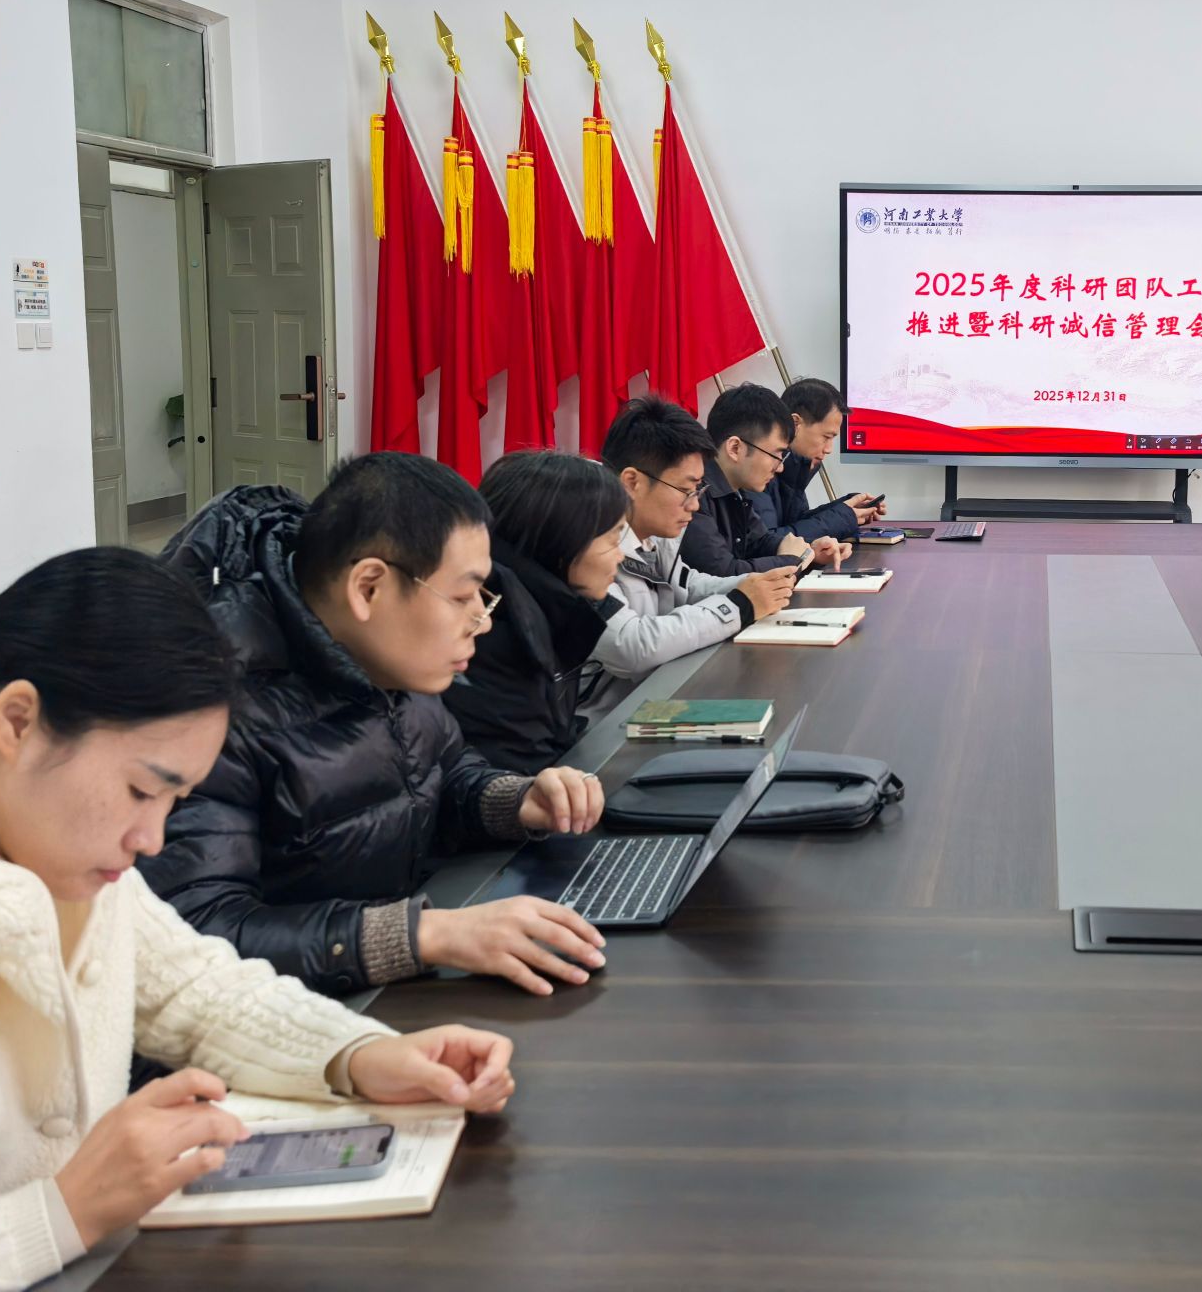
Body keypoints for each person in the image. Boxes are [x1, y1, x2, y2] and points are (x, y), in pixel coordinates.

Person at [0, 548, 517, 1290]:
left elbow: (195, 990)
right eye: (141, 791)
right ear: (18, 722)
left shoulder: (60, 855)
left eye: (174, 802)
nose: (151, 840)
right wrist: (58, 1214)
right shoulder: (58, 847)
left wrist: (356, 1055)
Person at [139, 453, 609, 1001]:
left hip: (375, 990)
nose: (481, 622)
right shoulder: (213, 707)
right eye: (462, 597)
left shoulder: (388, 658)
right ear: (368, 588)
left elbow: (443, 773)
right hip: (286, 1019)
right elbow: (199, 932)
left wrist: (516, 800)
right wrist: (421, 935)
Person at [589, 398, 797, 704]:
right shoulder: (586, 538)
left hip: (654, 692)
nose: (695, 504)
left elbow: (687, 585)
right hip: (602, 716)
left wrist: (754, 585)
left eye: (697, 490)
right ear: (632, 482)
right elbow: (629, 646)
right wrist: (739, 606)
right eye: (686, 490)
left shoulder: (654, 534)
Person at [441, 450, 628, 775]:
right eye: (613, 539)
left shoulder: (537, 609)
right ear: (564, 538)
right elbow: (522, 772)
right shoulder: (497, 632)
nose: (621, 555)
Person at [680, 383, 847, 578]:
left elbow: (759, 541)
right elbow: (723, 573)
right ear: (735, 448)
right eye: (776, 454)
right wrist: (792, 559)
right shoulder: (692, 494)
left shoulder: (734, 487)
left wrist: (809, 551)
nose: (780, 467)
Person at [750, 377, 885, 543]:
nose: (829, 449)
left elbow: (794, 524)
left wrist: (846, 508)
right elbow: (768, 541)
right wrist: (843, 517)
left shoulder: (796, 467)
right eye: (826, 437)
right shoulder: (757, 467)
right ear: (795, 423)